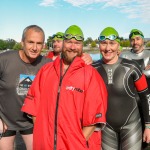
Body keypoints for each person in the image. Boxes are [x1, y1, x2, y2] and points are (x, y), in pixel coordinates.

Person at [21, 25, 108, 150]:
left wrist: (77, 144)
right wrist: (43, 136)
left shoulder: (91, 75)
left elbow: (94, 119)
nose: (72, 47)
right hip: (45, 145)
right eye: (69, 42)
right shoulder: (46, 70)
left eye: (77, 43)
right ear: (63, 43)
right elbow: (34, 108)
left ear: (82, 45)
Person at [93, 27, 150, 150]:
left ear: (118, 46)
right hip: (105, 127)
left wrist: (148, 126)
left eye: (112, 43)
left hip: (132, 126)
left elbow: (146, 97)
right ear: (99, 45)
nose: (108, 48)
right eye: (104, 43)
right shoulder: (92, 69)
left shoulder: (132, 67)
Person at [0, 25, 52, 150]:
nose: (34, 48)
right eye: (30, 42)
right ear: (22, 42)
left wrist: (83, 57)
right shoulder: (4, 60)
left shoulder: (48, 65)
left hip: (32, 121)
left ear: (43, 45)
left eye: (39, 43)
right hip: (5, 120)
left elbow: (68, 69)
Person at [120, 29, 150, 149]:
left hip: (147, 97)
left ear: (143, 40)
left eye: (137, 39)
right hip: (130, 100)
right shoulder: (124, 56)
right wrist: (145, 71)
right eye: (132, 40)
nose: (135, 42)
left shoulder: (149, 54)